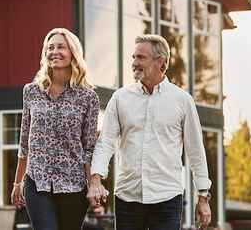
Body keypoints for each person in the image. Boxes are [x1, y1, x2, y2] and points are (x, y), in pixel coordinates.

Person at [87, 34, 213, 230]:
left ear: (161, 63)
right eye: (133, 57)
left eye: (141, 58)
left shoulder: (182, 100)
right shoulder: (120, 98)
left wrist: (203, 196)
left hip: (167, 198)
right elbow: (105, 143)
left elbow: (196, 151)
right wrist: (95, 180)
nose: (135, 63)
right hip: (127, 198)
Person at [10, 28, 101, 230]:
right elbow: (25, 142)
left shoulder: (88, 97)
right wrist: (18, 183)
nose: (54, 51)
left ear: (73, 53)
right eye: (50, 48)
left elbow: (89, 148)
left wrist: (92, 184)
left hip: (74, 185)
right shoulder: (31, 91)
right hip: (37, 181)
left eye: (61, 47)